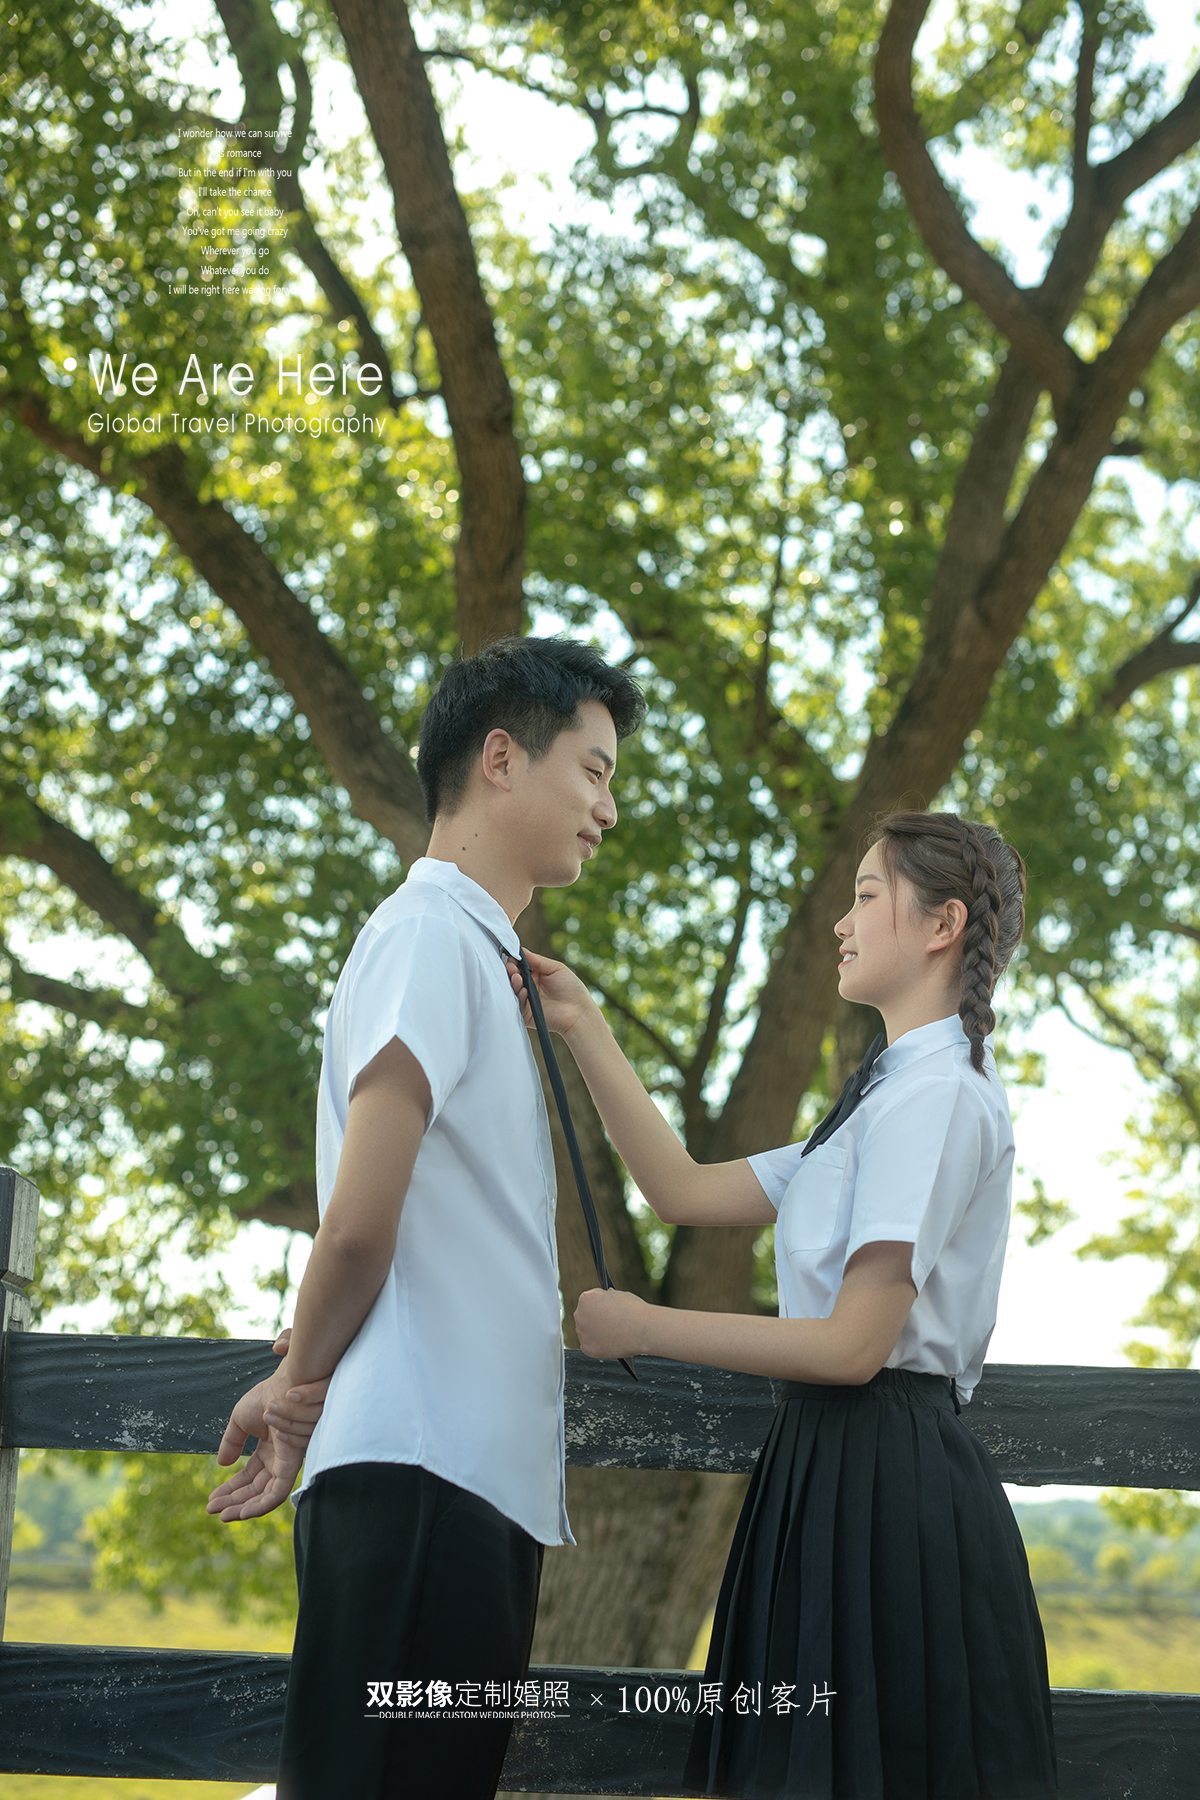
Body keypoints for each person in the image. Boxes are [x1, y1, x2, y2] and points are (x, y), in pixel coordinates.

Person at [508, 810, 1058, 1800]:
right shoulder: (883, 1095)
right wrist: (582, 1022)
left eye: (866, 897)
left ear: (942, 926)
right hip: (827, 1466)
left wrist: (645, 1327)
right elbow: (680, 1189)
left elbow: (852, 1347)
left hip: (883, 1480)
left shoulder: (939, 1095)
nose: (841, 923)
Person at [204, 635, 646, 1800]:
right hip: (420, 1476)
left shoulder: (473, 952)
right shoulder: (428, 937)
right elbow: (358, 1224)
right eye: (593, 771)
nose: (609, 808)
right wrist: (298, 1383)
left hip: (462, 1479)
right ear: (500, 759)